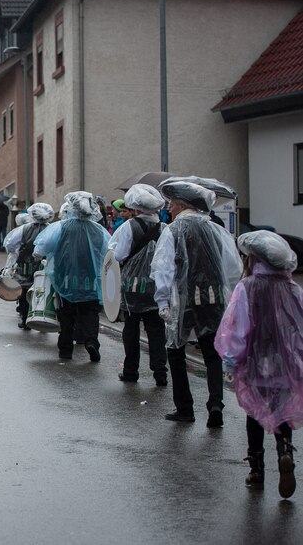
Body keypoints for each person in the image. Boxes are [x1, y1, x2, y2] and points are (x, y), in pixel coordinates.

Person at [216, 231, 301, 498]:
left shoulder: (247, 286)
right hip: (285, 364)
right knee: (282, 411)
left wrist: (230, 360)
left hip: (256, 362)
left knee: (254, 412)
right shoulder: (293, 288)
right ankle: (285, 449)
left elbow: (237, 327)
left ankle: (256, 469)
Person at [151, 180, 242, 427]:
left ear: (182, 204)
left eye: (171, 204)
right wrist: (227, 294)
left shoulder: (173, 230)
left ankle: (185, 408)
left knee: (176, 351)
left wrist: (162, 301)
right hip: (213, 298)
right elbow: (232, 268)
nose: (168, 209)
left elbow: (164, 268)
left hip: (183, 300)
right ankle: (215, 404)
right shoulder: (216, 229)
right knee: (212, 353)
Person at [33, 191, 109, 361]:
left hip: (65, 279)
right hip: (90, 280)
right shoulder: (99, 230)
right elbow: (110, 254)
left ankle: (66, 349)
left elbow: (39, 250)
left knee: (66, 314)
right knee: (90, 312)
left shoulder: (60, 227)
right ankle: (91, 341)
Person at [108, 184, 168, 386]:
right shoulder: (164, 229)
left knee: (131, 329)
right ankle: (160, 372)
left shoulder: (128, 227)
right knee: (157, 330)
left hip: (132, 287)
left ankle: (131, 371)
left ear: (135, 208)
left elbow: (118, 254)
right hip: (156, 287)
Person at [4, 204, 53, 330]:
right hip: (44, 267)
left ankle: (25, 319)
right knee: (43, 290)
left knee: (25, 292)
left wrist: (16, 252)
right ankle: (42, 316)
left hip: (25, 267)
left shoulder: (24, 229)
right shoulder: (52, 229)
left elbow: (10, 244)